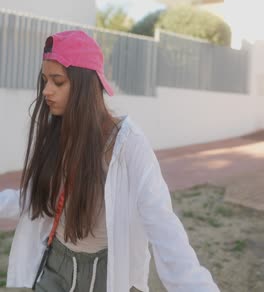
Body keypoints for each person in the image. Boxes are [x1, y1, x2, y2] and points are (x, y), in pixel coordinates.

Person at [0, 30, 220, 292]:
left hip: (103, 276)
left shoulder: (128, 145)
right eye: (45, 80)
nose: (46, 90)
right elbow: (37, 199)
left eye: (58, 82)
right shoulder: (58, 131)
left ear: (86, 86)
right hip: (53, 268)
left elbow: (164, 226)